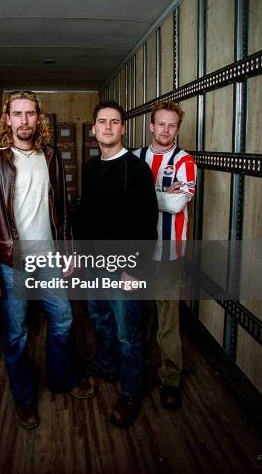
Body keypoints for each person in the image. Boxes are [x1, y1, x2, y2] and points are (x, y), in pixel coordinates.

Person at [0, 90, 95, 430]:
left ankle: (61, 379)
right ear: (8, 119)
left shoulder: (52, 156)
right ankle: (24, 398)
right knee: (16, 334)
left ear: (38, 118)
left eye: (31, 113)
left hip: (50, 257)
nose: (25, 120)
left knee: (64, 321)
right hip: (13, 262)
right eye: (18, 114)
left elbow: (63, 210)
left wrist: (68, 251)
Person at [78, 100, 158, 427]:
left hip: (125, 266)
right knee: (100, 318)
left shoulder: (138, 170)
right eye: (102, 121)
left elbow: (147, 224)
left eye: (114, 122)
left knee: (129, 332)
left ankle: (131, 391)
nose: (108, 127)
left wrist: (132, 270)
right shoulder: (90, 168)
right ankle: (107, 364)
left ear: (123, 128)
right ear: (94, 129)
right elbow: (85, 216)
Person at [133, 100, 197, 410]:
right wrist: (160, 196)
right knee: (139, 315)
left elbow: (176, 205)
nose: (166, 130)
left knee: (168, 320)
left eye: (172, 125)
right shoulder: (136, 158)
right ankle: (138, 370)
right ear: (151, 126)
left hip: (170, 253)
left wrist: (147, 197)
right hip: (139, 253)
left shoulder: (185, 161)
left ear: (177, 129)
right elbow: (128, 201)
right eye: (161, 124)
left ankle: (170, 379)